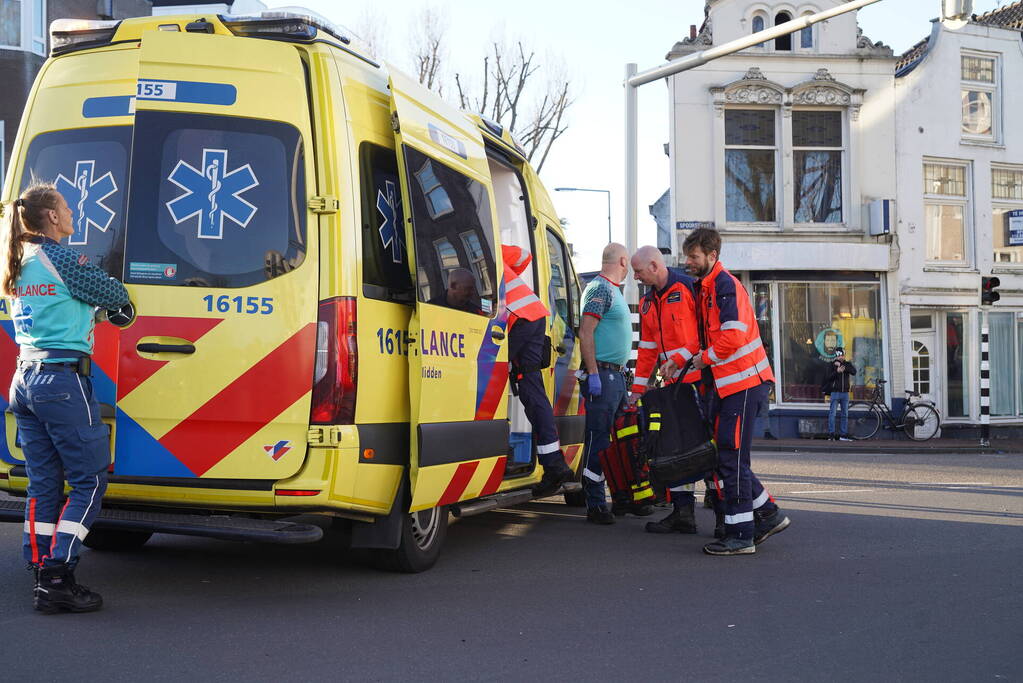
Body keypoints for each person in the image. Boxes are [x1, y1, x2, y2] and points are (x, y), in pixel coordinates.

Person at [2, 183, 130, 612]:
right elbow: (115, 295)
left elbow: (59, 305)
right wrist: (105, 304)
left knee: (42, 483)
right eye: (67, 208)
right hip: (62, 382)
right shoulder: (61, 258)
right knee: (89, 481)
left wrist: (86, 311)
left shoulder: (19, 258)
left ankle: (41, 567)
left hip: (25, 378)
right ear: (52, 217)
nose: (73, 214)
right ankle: (58, 576)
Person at [679, 228, 790, 556]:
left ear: (712, 256)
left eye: (694, 256)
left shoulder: (724, 286)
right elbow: (709, 339)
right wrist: (685, 360)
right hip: (735, 385)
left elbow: (732, 338)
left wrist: (702, 359)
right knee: (729, 455)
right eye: (688, 256)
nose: (688, 262)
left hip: (743, 384)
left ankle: (741, 534)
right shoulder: (709, 288)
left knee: (731, 456)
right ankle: (767, 514)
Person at [628, 245, 707, 535]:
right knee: (675, 448)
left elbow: (702, 334)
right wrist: (638, 389)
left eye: (638, 271)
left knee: (706, 446)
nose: (635, 277)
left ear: (654, 265)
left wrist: (679, 360)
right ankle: (683, 512)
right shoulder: (647, 302)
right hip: (673, 387)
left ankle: (725, 513)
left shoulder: (688, 289)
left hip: (700, 382)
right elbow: (647, 349)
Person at [577, 243, 645, 524]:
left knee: (618, 442)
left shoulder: (611, 290)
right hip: (603, 376)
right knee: (600, 441)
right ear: (623, 261)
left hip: (614, 376)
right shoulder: (600, 289)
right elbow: (585, 332)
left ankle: (620, 498)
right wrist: (593, 373)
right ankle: (595, 504)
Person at [501, 243, 572, 498]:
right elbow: (524, 256)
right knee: (531, 388)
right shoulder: (492, 251)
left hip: (521, 317)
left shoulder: (486, 249)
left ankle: (553, 465)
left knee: (493, 374)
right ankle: (555, 464)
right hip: (532, 314)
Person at [821, 347, 856, 441]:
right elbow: (828, 377)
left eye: (843, 355)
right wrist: (837, 371)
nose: (841, 357)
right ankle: (831, 434)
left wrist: (841, 365)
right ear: (836, 355)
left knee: (845, 414)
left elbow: (853, 372)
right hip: (835, 392)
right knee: (832, 414)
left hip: (845, 393)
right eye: (839, 355)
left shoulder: (847, 364)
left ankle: (843, 435)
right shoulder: (831, 365)